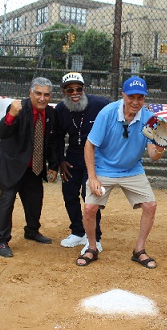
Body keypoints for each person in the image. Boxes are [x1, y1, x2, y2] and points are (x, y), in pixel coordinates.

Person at [77, 76, 165, 270]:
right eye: (131, 97)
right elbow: (89, 145)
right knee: (90, 208)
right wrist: (92, 177)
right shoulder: (107, 113)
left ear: (144, 99)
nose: (135, 102)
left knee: (150, 205)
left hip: (132, 169)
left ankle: (139, 250)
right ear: (123, 95)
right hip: (103, 168)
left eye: (140, 98)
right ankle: (92, 247)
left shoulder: (149, 118)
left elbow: (153, 155)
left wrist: (161, 146)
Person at [0, 77, 60, 257]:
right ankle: (1, 240)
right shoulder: (18, 109)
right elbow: (2, 133)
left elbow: (52, 142)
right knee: (7, 200)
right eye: (38, 93)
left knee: (35, 200)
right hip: (11, 165)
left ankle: (32, 231)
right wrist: (11, 115)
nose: (42, 98)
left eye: (46, 94)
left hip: (33, 167)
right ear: (30, 94)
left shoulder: (51, 114)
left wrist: (53, 165)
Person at [54, 72, 111, 255]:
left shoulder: (99, 104)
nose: (75, 93)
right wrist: (60, 160)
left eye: (78, 88)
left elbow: (118, 111)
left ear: (84, 89)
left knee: (91, 197)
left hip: (94, 157)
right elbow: (57, 137)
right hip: (72, 156)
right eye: (70, 89)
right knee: (69, 194)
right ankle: (78, 232)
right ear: (64, 92)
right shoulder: (61, 110)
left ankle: (96, 237)